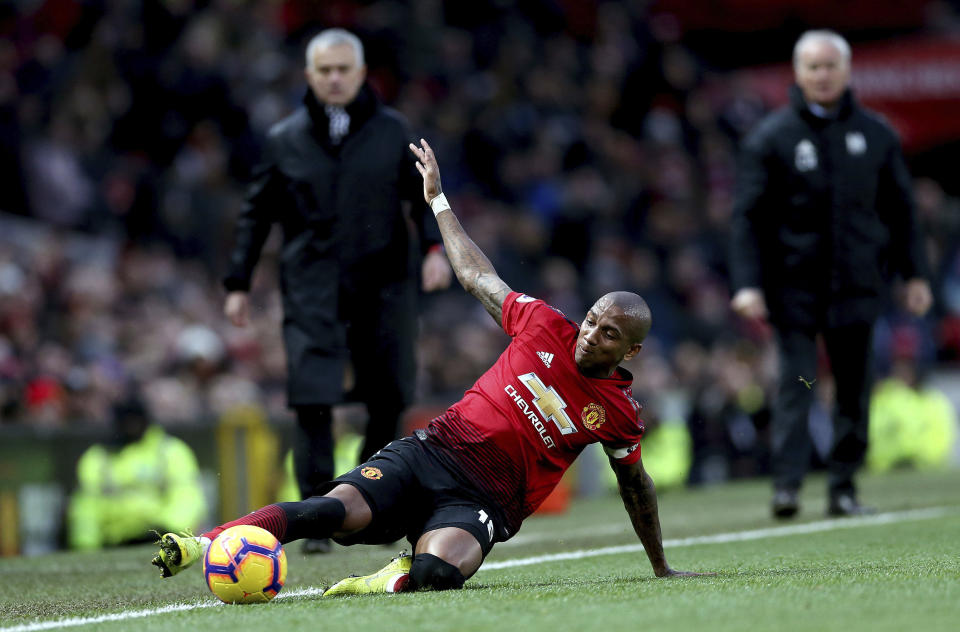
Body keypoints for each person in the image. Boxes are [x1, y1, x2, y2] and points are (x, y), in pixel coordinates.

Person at [152, 139, 710, 593]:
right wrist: (439, 201)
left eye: (608, 333)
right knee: (330, 512)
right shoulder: (543, 324)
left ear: (630, 352)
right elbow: (477, 278)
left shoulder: (618, 413)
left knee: (437, 574)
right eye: (591, 320)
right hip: (432, 452)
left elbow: (636, 487)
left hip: (486, 499)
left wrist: (660, 566)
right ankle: (205, 543)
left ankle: (392, 575)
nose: (590, 335)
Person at [221, 29, 451, 551]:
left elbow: (425, 196)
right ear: (309, 76)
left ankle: (374, 503)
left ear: (362, 73)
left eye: (343, 69)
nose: (334, 78)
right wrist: (238, 282)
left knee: (389, 393)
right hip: (311, 288)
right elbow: (255, 214)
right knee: (312, 399)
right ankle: (316, 518)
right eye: (324, 70)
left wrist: (436, 250)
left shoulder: (394, 132)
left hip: (385, 284)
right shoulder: (284, 139)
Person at [729, 30, 932, 519]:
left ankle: (843, 486)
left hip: (858, 286)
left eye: (830, 66)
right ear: (798, 73)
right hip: (793, 287)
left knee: (854, 387)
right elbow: (747, 218)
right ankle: (788, 486)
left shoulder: (877, 134)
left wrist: (915, 274)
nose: (822, 75)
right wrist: (747, 283)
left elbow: (902, 212)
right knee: (797, 384)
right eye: (813, 67)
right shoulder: (771, 138)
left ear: (846, 70)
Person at [68, 397, 206, 550]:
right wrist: (86, 546)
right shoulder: (97, 457)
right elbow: (86, 507)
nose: (131, 426)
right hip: (113, 543)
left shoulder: (170, 451)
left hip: (161, 537)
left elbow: (187, 497)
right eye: (126, 422)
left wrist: (169, 531)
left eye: (135, 421)